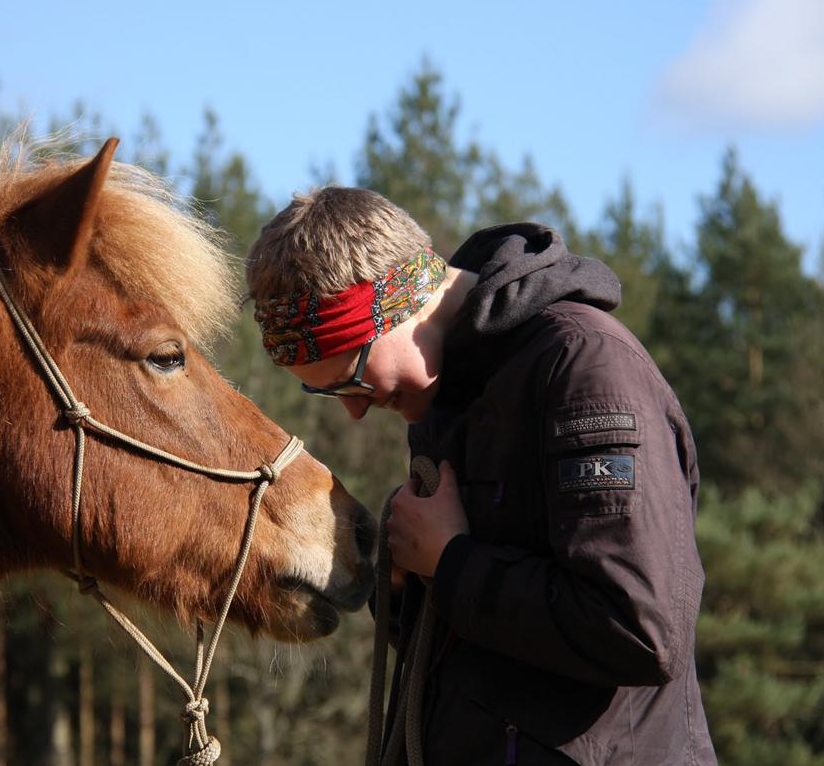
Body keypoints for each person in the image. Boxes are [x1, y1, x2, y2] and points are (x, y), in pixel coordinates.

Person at [245, 187, 717, 765]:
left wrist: (450, 561)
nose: (354, 409)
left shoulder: (584, 369)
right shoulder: (446, 397)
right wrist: (407, 582)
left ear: (402, 302)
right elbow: (476, 648)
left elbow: (637, 629)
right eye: (325, 391)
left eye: (353, 377)